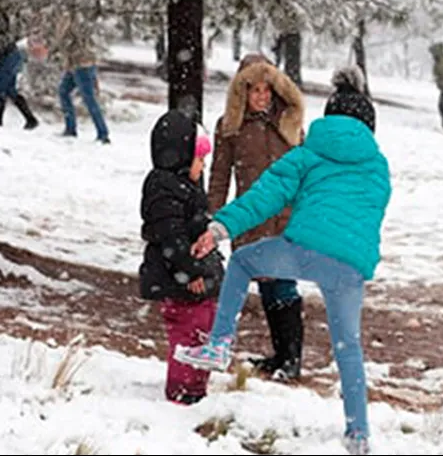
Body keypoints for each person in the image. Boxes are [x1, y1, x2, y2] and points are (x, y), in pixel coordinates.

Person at [174, 66, 391, 456]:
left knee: (242, 261)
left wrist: (220, 227)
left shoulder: (308, 153)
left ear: (330, 116)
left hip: (304, 250)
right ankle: (358, 434)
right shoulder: (378, 165)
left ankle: (219, 345)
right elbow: (371, 212)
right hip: (350, 268)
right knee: (348, 347)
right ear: (368, 125)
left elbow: (265, 196)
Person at [207, 53, 306, 381]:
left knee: (283, 283)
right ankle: (279, 354)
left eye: (267, 90)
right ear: (242, 92)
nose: (262, 97)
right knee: (265, 284)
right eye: (255, 90)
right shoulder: (230, 128)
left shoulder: (289, 125)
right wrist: (214, 218)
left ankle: (291, 358)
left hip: (285, 218)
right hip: (250, 217)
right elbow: (220, 175)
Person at [139, 110, 226, 405]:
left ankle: (197, 386)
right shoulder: (164, 189)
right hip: (182, 281)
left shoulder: (187, 188)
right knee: (187, 334)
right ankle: (182, 390)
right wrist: (190, 273)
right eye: (199, 160)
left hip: (197, 279)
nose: (202, 167)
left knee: (204, 331)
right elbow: (171, 239)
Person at [50, 10, 110, 144]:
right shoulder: (66, 24)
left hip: (82, 66)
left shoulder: (73, 25)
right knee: (63, 92)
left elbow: (74, 46)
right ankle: (70, 129)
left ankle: (103, 134)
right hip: (74, 66)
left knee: (89, 100)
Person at [0, 12, 39, 130]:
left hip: (7, 59)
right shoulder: (1, 20)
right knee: (10, 91)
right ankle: (30, 119)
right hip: (13, 57)